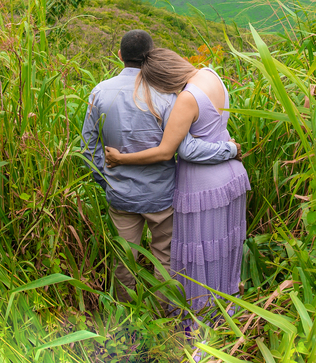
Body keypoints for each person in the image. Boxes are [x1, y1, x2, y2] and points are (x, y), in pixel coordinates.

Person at [80, 30, 239, 300]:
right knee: (165, 257)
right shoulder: (167, 95)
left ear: (120, 55)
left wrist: (106, 180)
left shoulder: (100, 92)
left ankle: (126, 314)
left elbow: (88, 148)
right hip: (162, 195)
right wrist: (229, 149)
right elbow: (183, 147)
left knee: (124, 259)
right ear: (150, 55)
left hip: (120, 193)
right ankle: (162, 313)